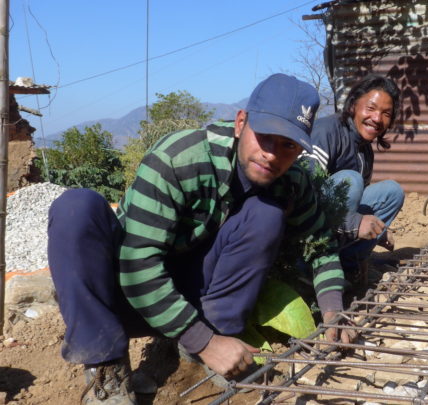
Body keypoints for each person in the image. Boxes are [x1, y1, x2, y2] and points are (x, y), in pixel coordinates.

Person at [47, 74, 353, 405]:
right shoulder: (179, 160)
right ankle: (107, 368)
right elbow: (138, 264)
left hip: (192, 295)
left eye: (288, 145)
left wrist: (333, 309)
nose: (271, 154)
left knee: (267, 213)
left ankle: (211, 342)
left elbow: (321, 245)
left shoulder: (291, 182)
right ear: (240, 123)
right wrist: (203, 341)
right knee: (75, 208)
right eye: (264, 136)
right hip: (125, 293)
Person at [301, 74, 405, 285]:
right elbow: (303, 192)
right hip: (304, 232)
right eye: (371, 108)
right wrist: (355, 222)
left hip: (336, 227)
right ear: (353, 105)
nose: (377, 118)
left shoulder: (365, 151)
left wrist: (376, 228)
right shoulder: (327, 131)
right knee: (352, 180)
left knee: (392, 192)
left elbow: (356, 204)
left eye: (386, 113)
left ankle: (349, 265)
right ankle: (308, 269)